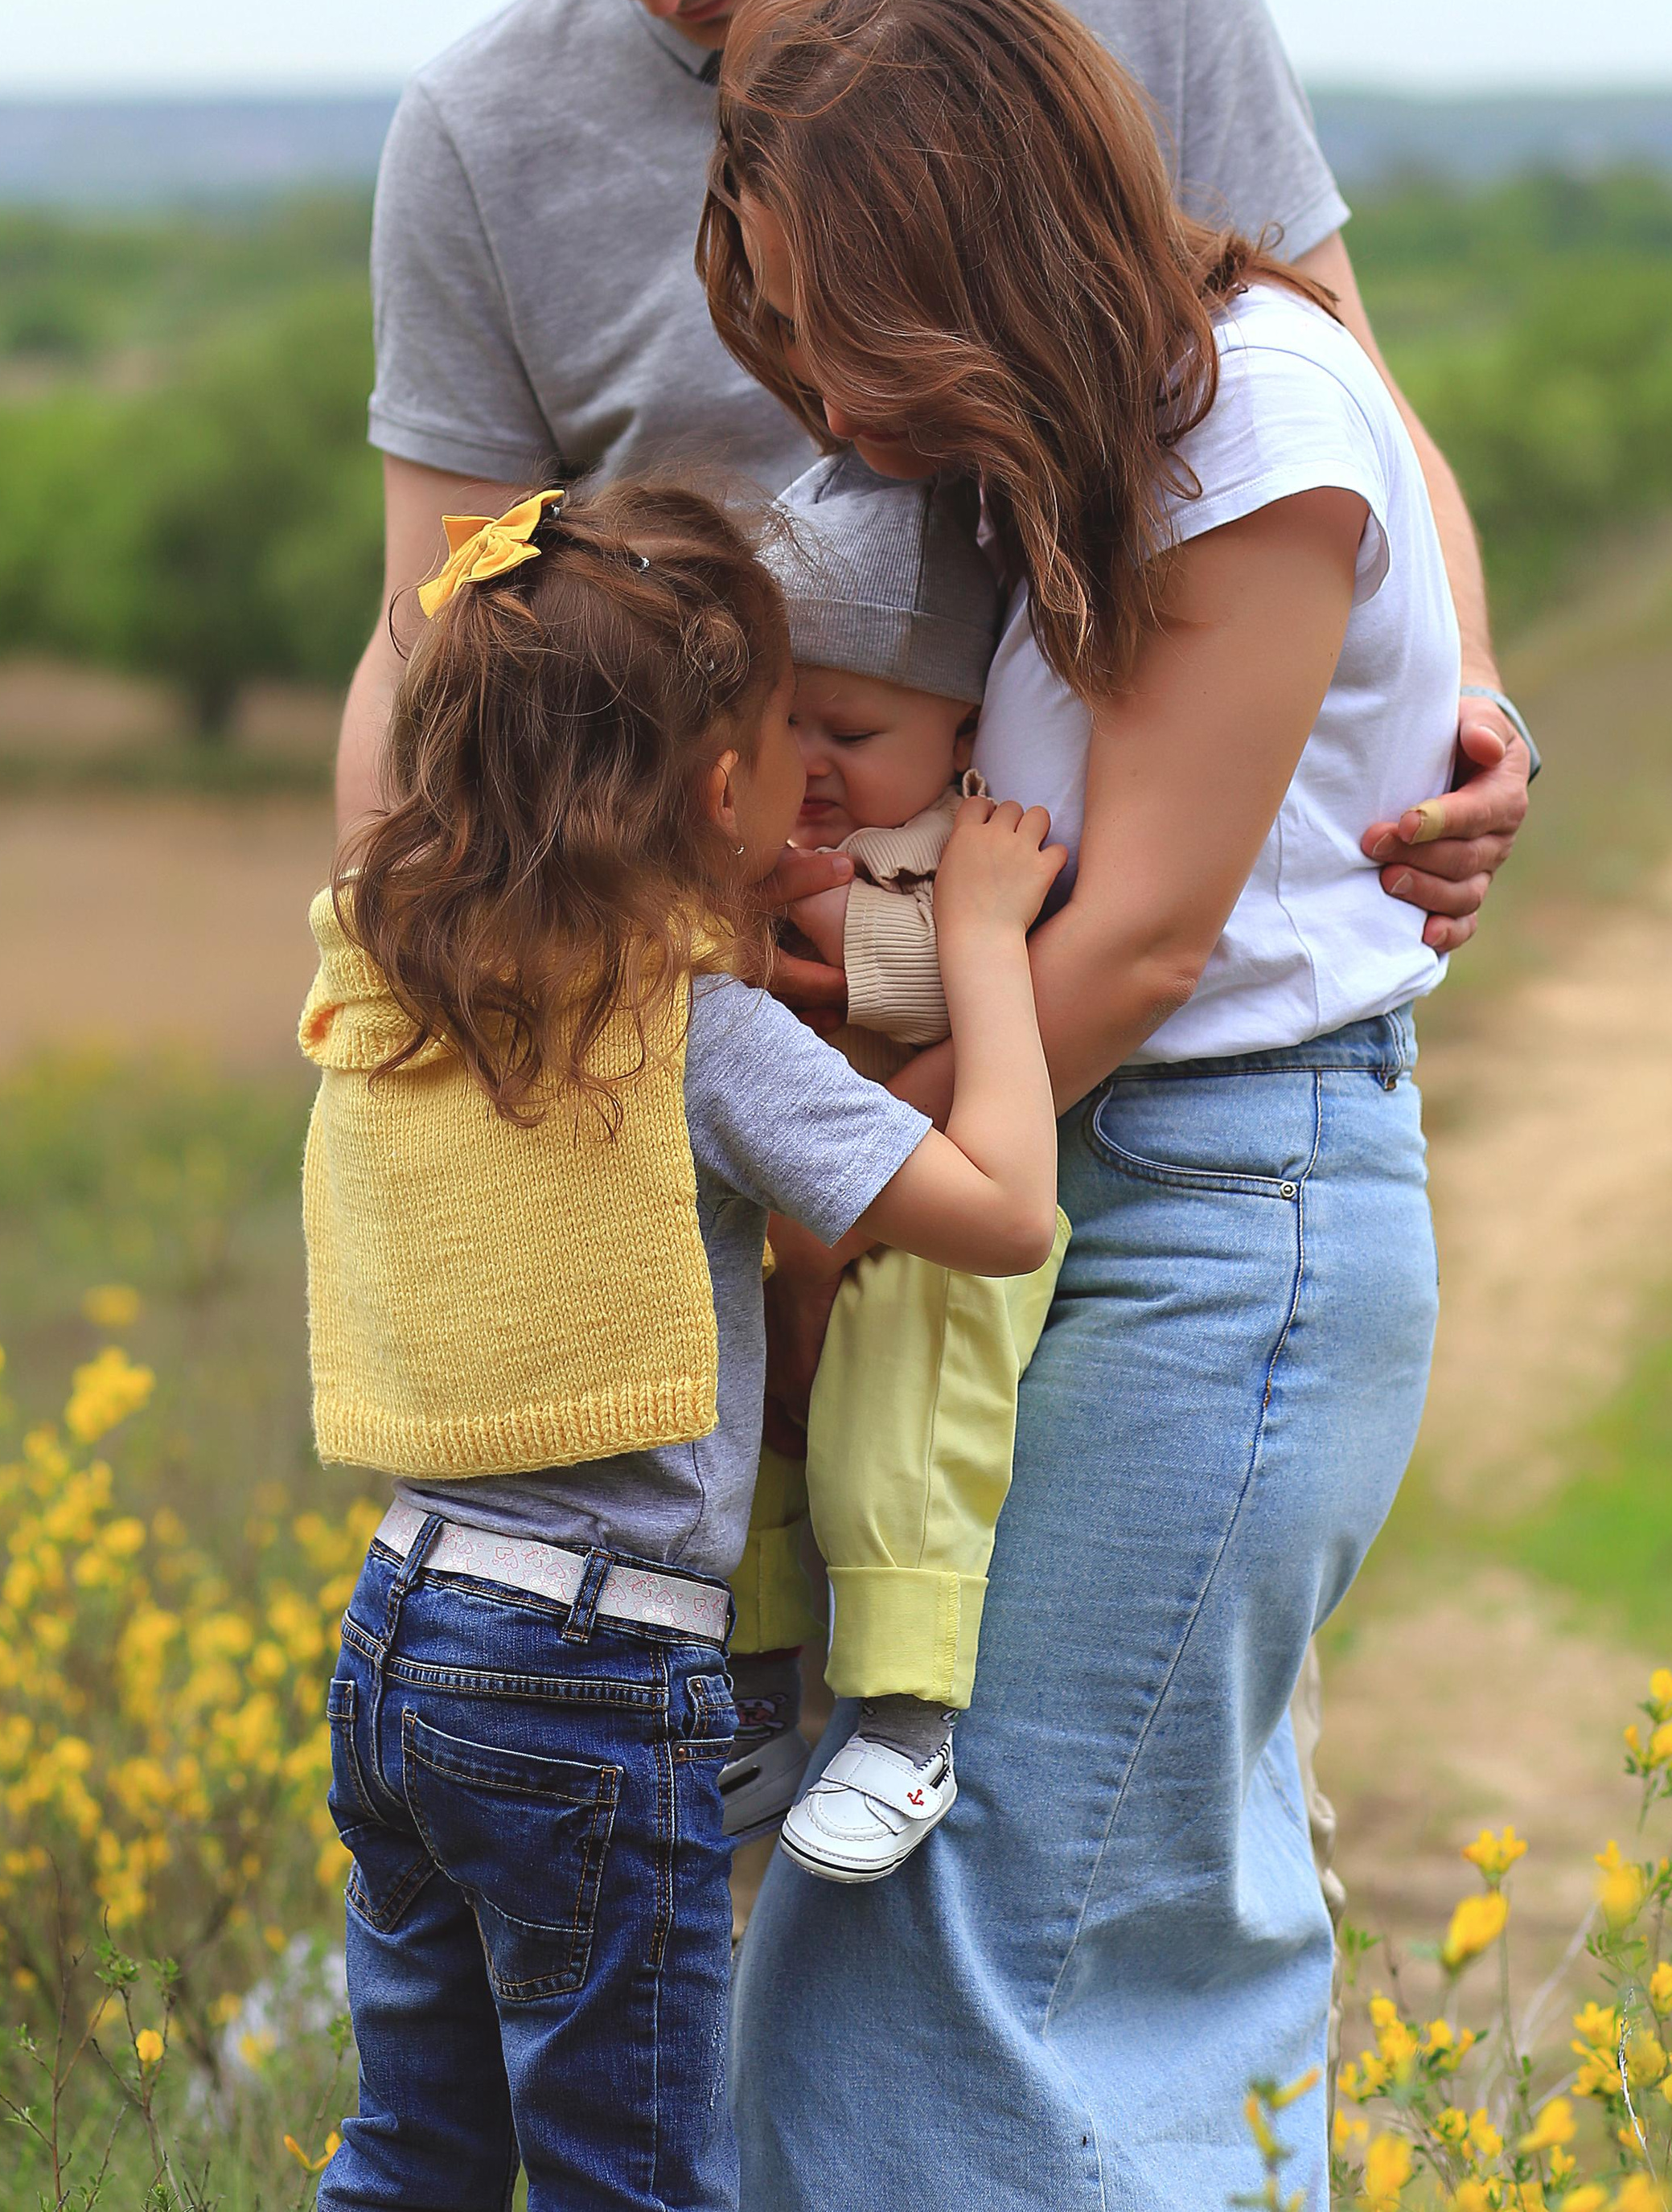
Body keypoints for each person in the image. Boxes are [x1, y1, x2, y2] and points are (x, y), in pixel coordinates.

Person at [335, 0, 1534, 1005]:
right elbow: (447, 625)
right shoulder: (477, 132)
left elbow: (1347, 395)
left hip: (1169, 997)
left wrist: (1468, 697)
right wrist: (420, 993)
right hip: (729, 1012)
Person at [699, 0, 1454, 2210]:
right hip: (1087, 1190)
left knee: (968, 1931)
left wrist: (842, 1206)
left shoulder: (1257, 438)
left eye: (850, 327)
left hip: (1216, 1216)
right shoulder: (1088, 461)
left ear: (982, 251)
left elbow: (1127, 941)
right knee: (1103, 1938)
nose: (829, 397)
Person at [300, 480, 1065, 2210]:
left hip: (401, 1626)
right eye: (789, 732)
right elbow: (1005, 1207)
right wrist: (982, 944)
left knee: (412, 2147)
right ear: (727, 790)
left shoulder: (386, 974)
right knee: (629, 2173)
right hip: (585, 1674)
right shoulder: (697, 1037)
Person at [723, 455, 1072, 1885]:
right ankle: (746, 1690)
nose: (810, 762)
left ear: (970, 733)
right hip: (796, 1211)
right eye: (778, 719)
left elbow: (929, 975)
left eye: (852, 728)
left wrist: (800, 911)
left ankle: (905, 1710)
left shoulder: (962, 852)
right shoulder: (788, 835)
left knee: (900, 1404)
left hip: (941, 1236)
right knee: (722, 1404)